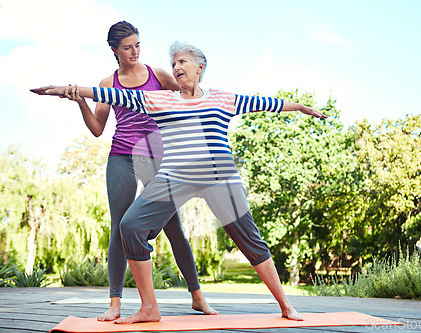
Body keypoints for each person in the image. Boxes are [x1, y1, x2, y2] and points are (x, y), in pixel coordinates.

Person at [31, 40, 327, 324]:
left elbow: (267, 103)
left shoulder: (223, 99)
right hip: (175, 177)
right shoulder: (161, 100)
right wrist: (67, 90)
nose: (176, 68)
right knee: (130, 226)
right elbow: (110, 95)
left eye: (182, 62)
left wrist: (300, 107)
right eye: (173, 64)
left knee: (249, 240)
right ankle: (149, 308)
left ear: (200, 67)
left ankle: (286, 305)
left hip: (219, 177)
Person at [60, 22, 217, 321]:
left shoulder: (157, 75)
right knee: (119, 227)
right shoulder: (107, 85)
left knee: (175, 229)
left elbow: (186, 98)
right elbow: (97, 129)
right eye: (128, 47)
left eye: (138, 45)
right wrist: (81, 101)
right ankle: (115, 302)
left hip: (158, 158)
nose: (135, 52)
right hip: (122, 156)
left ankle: (197, 297)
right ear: (114, 50)